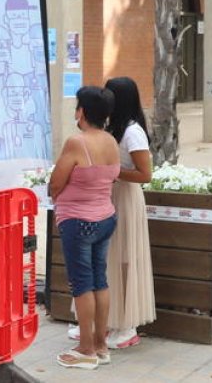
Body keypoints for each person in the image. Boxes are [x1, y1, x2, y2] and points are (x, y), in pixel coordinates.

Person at [65, 77, 154, 349]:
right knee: (106, 262)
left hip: (125, 199)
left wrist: (113, 172)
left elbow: (145, 174)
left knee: (125, 259)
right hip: (106, 197)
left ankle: (127, 326)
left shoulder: (133, 132)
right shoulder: (111, 129)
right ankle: (103, 323)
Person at [49, 86, 121, 370]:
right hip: (105, 217)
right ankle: (101, 345)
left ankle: (86, 348)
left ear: (82, 112)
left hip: (78, 221)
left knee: (81, 283)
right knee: (99, 280)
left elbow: (56, 183)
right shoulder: (111, 141)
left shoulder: (76, 142)